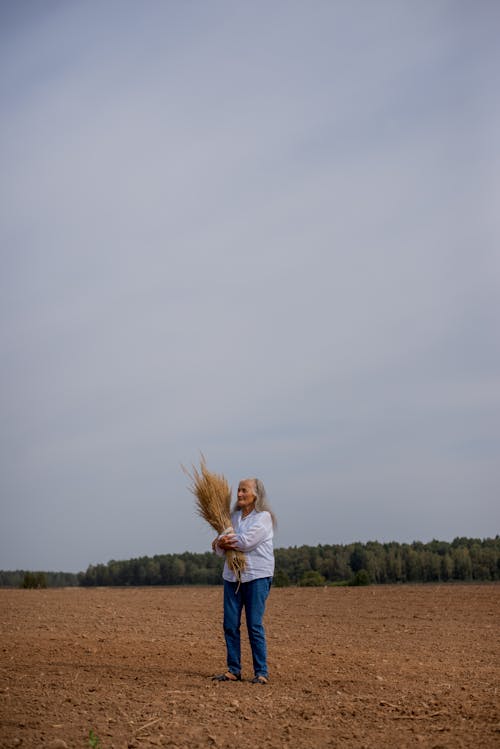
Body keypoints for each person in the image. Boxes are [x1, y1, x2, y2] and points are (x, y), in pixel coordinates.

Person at [211, 478, 276, 684]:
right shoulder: (231, 518)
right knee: (230, 624)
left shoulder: (263, 517)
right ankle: (234, 669)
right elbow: (217, 548)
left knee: (254, 624)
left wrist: (224, 542)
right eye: (238, 490)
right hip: (232, 576)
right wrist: (222, 543)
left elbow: (247, 542)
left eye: (244, 490)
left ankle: (261, 672)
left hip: (257, 575)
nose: (239, 494)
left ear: (255, 494)